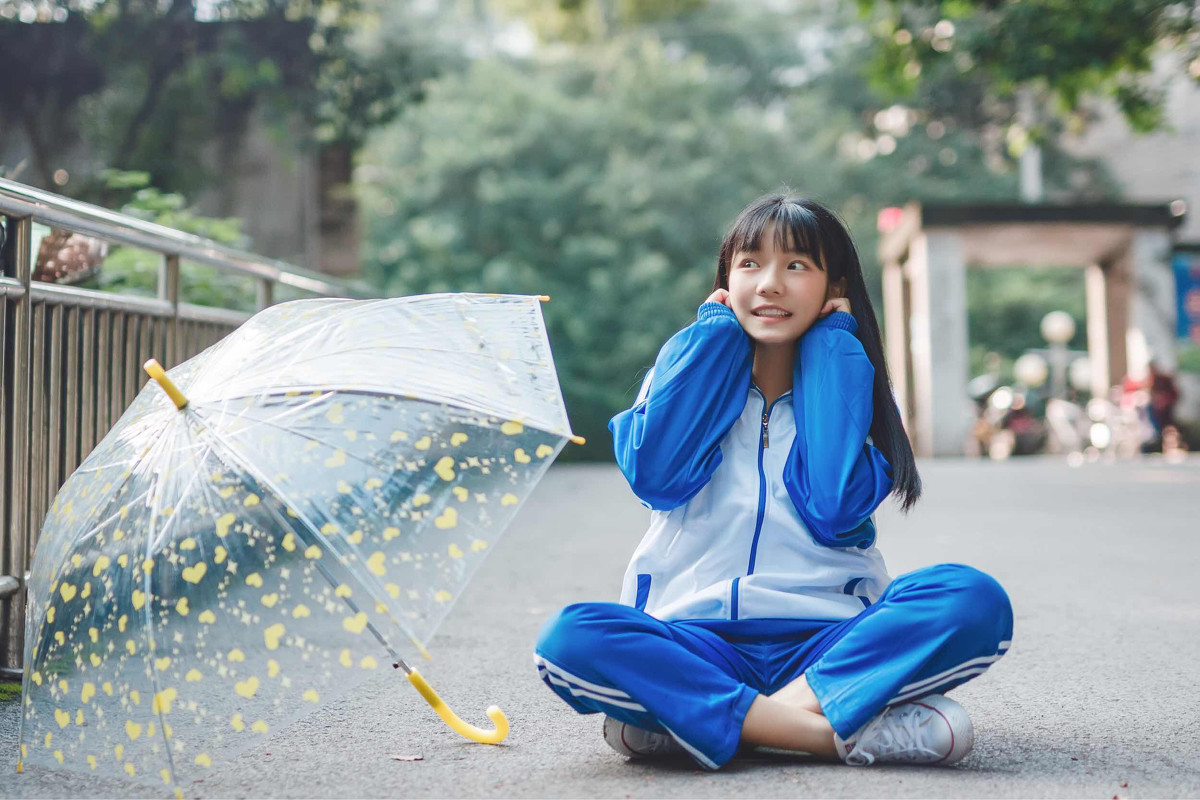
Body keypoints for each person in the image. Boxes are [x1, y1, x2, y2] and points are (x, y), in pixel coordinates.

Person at [534, 192, 1013, 769]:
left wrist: (833, 349)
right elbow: (657, 478)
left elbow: (833, 506)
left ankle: (701, 721)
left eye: (796, 265)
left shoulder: (854, 384)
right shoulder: (680, 371)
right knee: (573, 636)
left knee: (972, 598)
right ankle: (828, 733)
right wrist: (711, 341)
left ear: (834, 285)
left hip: (828, 645)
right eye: (750, 264)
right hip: (696, 643)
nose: (769, 285)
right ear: (726, 280)